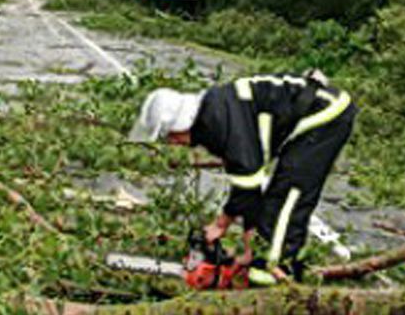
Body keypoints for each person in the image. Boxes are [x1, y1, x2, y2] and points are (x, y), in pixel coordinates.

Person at [128, 72, 357, 283]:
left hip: (326, 114)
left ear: (179, 124)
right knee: (274, 201)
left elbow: (248, 188)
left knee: (288, 197)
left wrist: (225, 226)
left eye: (169, 136)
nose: (172, 143)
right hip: (314, 111)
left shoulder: (218, 121)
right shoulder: (213, 115)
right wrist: (237, 235)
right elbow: (247, 183)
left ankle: (274, 278)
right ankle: (263, 266)